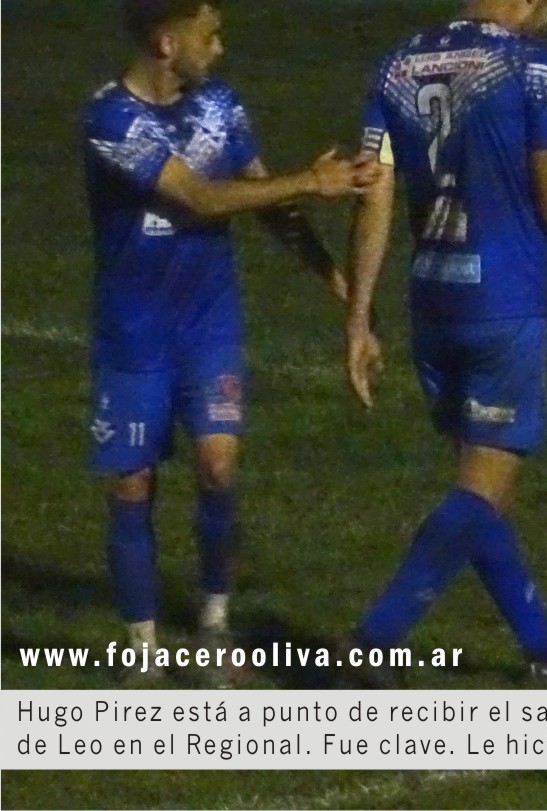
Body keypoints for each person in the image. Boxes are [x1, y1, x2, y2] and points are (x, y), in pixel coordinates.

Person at [342, 0, 547, 683]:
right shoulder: (530, 66)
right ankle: (374, 643)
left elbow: (372, 193)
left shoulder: (398, 63)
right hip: (501, 300)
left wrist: (359, 316)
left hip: (433, 296)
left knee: (484, 491)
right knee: (479, 496)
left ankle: (545, 654)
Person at [84, 0, 377, 683]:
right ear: (167, 43)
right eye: (209, 36)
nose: (219, 48)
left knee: (218, 468)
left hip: (207, 325)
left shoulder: (220, 106)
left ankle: (215, 628)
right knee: (132, 483)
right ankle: (142, 649)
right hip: (133, 332)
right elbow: (200, 198)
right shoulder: (110, 119)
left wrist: (336, 281)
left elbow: (264, 197)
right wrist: (314, 179)